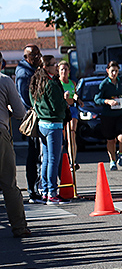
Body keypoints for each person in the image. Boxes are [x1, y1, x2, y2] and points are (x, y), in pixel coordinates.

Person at [30, 56, 68, 205]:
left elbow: (33, 102)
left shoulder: (36, 82)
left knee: (46, 158)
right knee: (53, 159)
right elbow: (57, 105)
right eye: (54, 64)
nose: (56, 66)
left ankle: (45, 190)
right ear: (46, 67)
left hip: (42, 123)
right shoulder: (51, 84)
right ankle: (52, 192)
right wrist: (64, 104)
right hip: (53, 123)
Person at [0, 51, 31, 237]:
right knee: (8, 183)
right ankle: (19, 226)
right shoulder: (4, 81)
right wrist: (9, 109)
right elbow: (20, 112)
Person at [15, 45, 42, 203]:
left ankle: (37, 188)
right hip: (33, 118)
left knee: (38, 153)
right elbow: (25, 99)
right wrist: (36, 110)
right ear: (26, 57)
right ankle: (33, 190)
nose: (38, 56)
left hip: (38, 116)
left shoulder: (34, 70)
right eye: (34, 55)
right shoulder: (24, 73)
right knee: (34, 154)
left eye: (38, 53)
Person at [94, 61, 122, 170]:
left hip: (121, 114)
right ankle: (112, 161)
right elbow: (97, 99)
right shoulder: (104, 84)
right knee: (111, 140)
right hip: (108, 115)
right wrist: (107, 101)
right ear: (107, 71)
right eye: (112, 71)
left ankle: (121, 153)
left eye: (116, 71)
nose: (114, 73)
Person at [57, 60, 78, 170]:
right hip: (61, 111)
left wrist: (77, 99)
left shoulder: (72, 83)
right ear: (58, 71)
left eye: (66, 69)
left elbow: (75, 95)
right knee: (62, 138)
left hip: (72, 109)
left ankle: (72, 161)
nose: (64, 72)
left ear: (69, 71)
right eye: (62, 69)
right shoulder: (57, 83)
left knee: (71, 135)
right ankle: (60, 161)